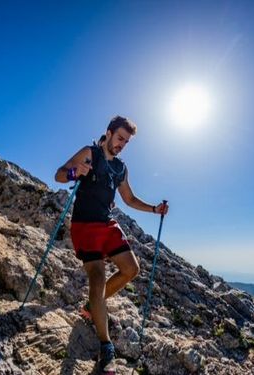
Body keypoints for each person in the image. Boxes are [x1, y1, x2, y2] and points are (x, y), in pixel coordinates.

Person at [55, 115, 169, 374]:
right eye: (120, 139)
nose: (122, 145)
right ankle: (106, 347)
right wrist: (75, 172)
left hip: (107, 224)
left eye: (126, 142)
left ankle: (92, 306)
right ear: (108, 133)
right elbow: (59, 175)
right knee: (97, 277)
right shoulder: (90, 153)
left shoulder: (121, 168)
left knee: (132, 269)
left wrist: (154, 209)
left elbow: (128, 199)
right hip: (84, 225)